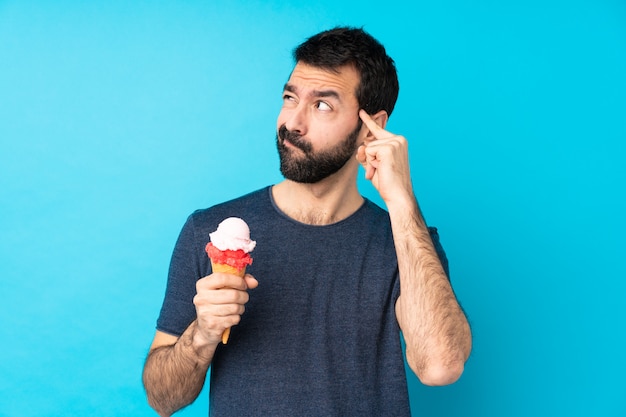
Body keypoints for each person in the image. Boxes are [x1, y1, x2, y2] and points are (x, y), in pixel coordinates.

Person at [142, 26, 472, 417]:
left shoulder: (407, 243)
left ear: (372, 128)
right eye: (289, 97)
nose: (292, 122)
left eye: (322, 105)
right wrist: (202, 335)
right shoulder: (208, 231)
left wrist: (401, 203)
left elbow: (439, 366)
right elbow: (162, 400)